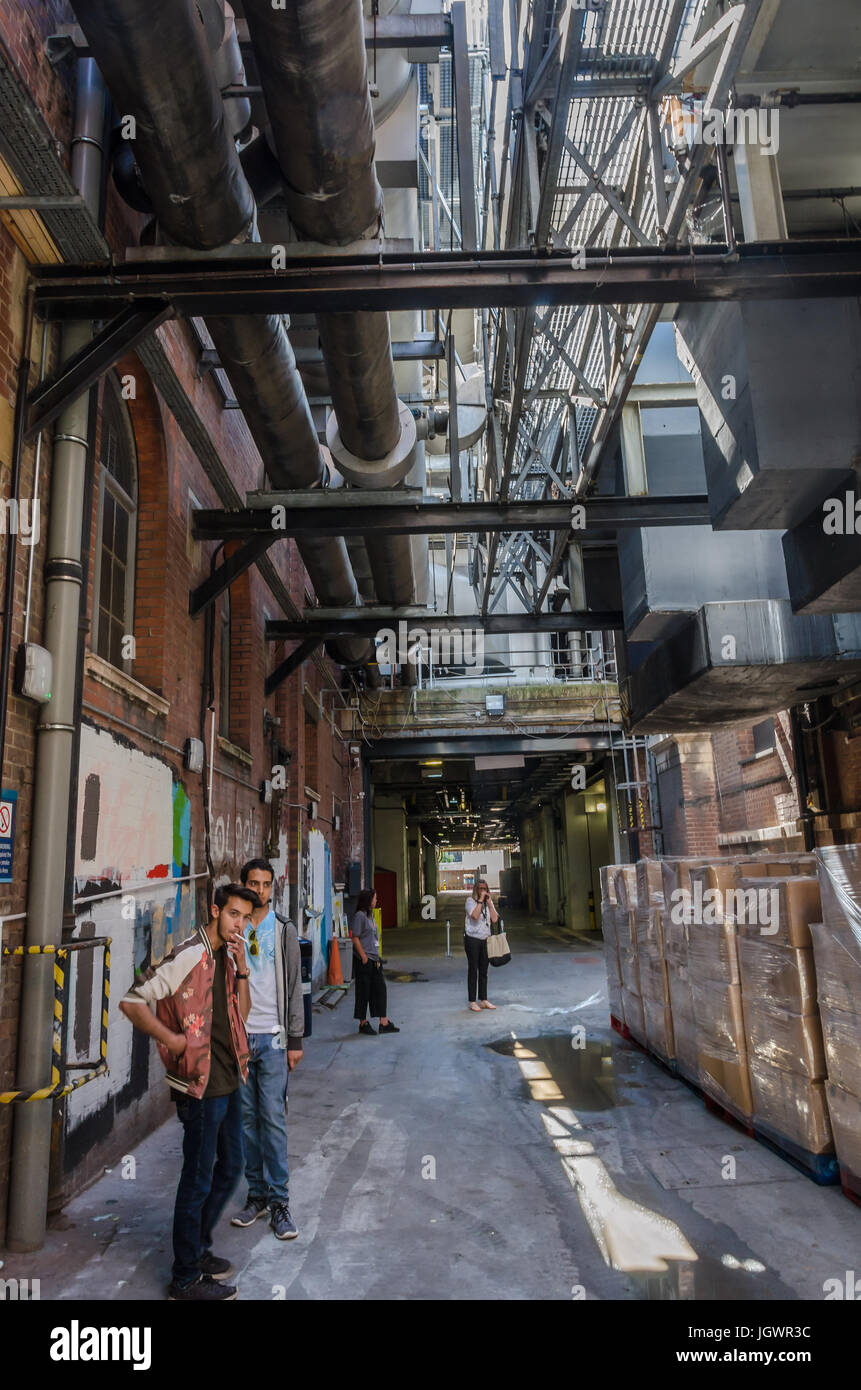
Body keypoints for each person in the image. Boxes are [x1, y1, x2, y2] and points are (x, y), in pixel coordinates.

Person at [119, 882, 258, 1302]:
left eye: (246, 918)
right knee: (197, 1180)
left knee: (231, 1166)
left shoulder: (229, 956)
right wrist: (173, 1040)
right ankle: (184, 1278)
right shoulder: (188, 954)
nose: (240, 923)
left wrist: (244, 969)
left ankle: (195, 1250)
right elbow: (132, 1001)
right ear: (215, 911)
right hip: (198, 1085)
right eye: (234, 914)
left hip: (229, 1078)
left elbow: (243, 1014)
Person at [230, 857, 304, 1240]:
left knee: (273, 1119)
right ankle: (256, 1196)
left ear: (272, 887)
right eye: (253, 883)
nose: (259, 890)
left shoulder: (285, 930)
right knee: (247, 1121)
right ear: (243, 884)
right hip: (241, 1040)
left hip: (274, 1039)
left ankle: (280, 1202)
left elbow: (294, 988)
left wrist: (295, 1039)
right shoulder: (234, 927)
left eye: (265, 884)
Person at [351, 889, 399, 1036]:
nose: (376, 900)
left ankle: (383, 1022)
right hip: (364, 961)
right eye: (374, 898)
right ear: (368, 900)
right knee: (363, 992)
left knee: (380, 990)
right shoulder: (360, 916)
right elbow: (355, 937)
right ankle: (362, 1023)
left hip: (374, 959)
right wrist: (363, 956)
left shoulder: (370, 915)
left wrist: (376, 957)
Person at [464, 876, 499, 1012]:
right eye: (480, 889)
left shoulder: (487, 903)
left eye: (485, 889)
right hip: (472, 939)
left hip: (485, 939)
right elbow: (475, 916)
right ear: (476, 890)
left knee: (484, 970)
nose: (483, 891)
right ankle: (472, 1001)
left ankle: (483, 999)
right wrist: (480, 901)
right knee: (473, 969)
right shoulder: (470, 901)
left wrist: (489, 903)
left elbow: (495, 919)